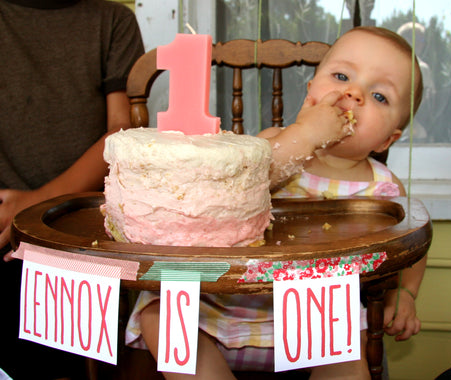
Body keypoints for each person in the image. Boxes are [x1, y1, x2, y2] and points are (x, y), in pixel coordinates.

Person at [130, 26, 425, 379]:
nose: (354, 93)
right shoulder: (271, 143)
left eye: (379, 97)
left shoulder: (383, 188)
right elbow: (238, 190)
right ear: (310, 93)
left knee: (351, 339)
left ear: (388, 138)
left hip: (318, 318)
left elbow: (410, 244)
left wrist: (405, 293)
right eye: (342, 76)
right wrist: (307, 136)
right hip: (222, 304)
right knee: (159, 314)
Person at [0, 0, 144, 378]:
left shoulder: (113, 20)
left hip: (82, 222)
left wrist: (36, 203)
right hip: (3, 225)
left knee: (75, 356)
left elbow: (120, 131)